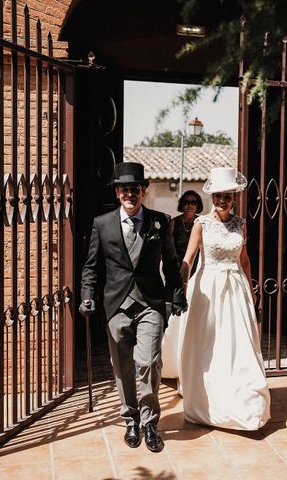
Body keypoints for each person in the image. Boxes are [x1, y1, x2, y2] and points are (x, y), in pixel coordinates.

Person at [79, 162, 187, 453]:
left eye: (135, 189)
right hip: (116, 304)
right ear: (117, 192)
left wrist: (176, 295)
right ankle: (130, 418)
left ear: (143, 191)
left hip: (150, 303)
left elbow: (172, 263)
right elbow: (91, 267)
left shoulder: (160, 221)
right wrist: (87, 295)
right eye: (125, 189)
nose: (130, 194)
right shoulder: (102, 223)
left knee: (149, 361)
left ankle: (150, 422)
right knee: (122, 365)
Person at [168, 166, 271, 430]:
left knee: (239, 345)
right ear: (212, 197)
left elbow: (244, 260)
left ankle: (245, 398)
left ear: (235, 197)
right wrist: (180, 285)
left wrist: (252, 290)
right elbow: (188, 259)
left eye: (227, 196)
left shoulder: (241, 225)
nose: (222, 201)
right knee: (208, 345)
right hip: (207, 290)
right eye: (217, 196)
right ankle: (206, 396)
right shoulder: (201, 224)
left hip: (235, 289)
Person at [161, 190, 203, 379]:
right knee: (172, 316)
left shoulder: (202, 223)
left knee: (195, 314)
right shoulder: (173, 223)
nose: (189, 205)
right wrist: (175, 276)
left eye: (193, 202)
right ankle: (170, 355)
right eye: (186, 201)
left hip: (197, 275)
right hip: (175, 276)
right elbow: (168, 251)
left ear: (198, 205)